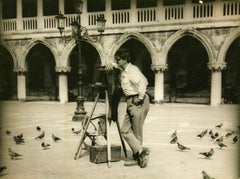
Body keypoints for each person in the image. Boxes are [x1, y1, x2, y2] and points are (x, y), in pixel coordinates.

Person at [106, 48, 150, 168]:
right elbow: (116, 65)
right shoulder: (124, 69)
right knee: (125, 129)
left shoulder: (132, 70)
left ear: (125, 59)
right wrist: (111, 64)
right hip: (131, 101)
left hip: (137, 100)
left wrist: (140, 97)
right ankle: (141, 152)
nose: (117, 61)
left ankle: (138, 158)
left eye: (118, 59)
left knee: (136, 132)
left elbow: (143, 81)